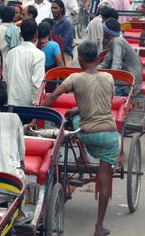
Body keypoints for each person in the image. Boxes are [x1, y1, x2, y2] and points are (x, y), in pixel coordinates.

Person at [29, 41, 120, 236]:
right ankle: (98, 227)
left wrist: (34, 120)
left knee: (70, 128)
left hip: (86, 134)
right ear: (97, 59)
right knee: (104, 178)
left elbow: (52, 97)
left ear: (80, 59)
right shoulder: (109, 77)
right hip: (109, 135)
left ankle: (73, 165)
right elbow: (102, 104)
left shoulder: (74, 78)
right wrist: (79, 109)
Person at [3, 19, 45, 106]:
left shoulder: (11, 53)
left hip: (11, 103)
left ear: (21, 34)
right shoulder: (39, 54)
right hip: (29, 106)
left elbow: (5, 79)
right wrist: (36, 105)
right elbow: (37, 83)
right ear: (36, 34)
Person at [98, 18, 142, 94]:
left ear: (106, 32)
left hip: (130, 82)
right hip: (128, 76)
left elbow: (116, 65)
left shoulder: (117, 41)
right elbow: (106, 62)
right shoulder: (114, 41)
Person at [51, 0, 74, 64]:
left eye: (55, 8)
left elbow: (66, 41)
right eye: (52, 8)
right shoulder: (51, 22)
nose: (53, 10)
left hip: (65, 54)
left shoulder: (67, 23)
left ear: (61, 9)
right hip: (53, 54)